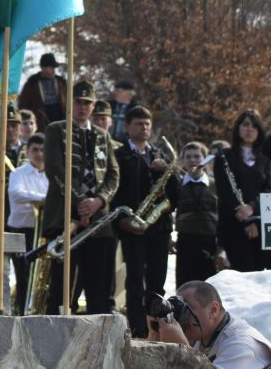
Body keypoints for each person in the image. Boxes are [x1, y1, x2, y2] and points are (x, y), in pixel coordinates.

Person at [41, 80, 120, 315]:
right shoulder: (56, 130)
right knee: (62, 289)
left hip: (99, 222)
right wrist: (81, 202)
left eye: (87, 103)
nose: (82, 107)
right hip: (64, 218)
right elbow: (55, 170)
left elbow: (113, 175)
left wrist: (99, 201)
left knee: (99, 288)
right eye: (78, 102)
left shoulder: (103, 136)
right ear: (70, 103)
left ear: (94, 105)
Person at [112, 105, 173, 338]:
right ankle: (138, 329)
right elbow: (114, 191)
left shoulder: (161, 155)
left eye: (147, 123)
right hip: (133, 227)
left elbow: (173, 194)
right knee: (135, 281)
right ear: (127, 126)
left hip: (159, 228)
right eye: (139, 123)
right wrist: (122, 221)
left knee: (158, 282)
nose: (144, 127)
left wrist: (167, 170)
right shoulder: (119, 156)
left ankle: (156, 327)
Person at [149, 280, 271, 368]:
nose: (181, 319)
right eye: (177, 311)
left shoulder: (241, 345)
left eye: (187, 310)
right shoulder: (201, 334)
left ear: (213, 310)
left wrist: (181, 349)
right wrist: (155, 336)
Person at [214, 110, 271, 272]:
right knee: (242, 275)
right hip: (234, 224)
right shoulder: (224, 157)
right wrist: (246, 220)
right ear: (238, 128)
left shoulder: (265, 160)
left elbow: (268, 191)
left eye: (254, 126)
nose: (249, 129)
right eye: (245, 124)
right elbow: (224, 191)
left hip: (261, 223)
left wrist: (252, 208)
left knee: (261, 275)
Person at [166, 142, 219, 286]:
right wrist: (170, 238)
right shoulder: (177, 185)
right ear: (183, 161)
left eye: (197, 156)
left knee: (209, 286)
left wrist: (222, 247)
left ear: (205, 159)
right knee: (185, 285)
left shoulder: (215, 185)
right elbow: (169, 212)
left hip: (209, 242)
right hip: (185, 241)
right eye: (188, 157)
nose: (192, 160)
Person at [8, 132, 47, 314]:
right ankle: (21, 312)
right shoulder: (18, 173)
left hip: (43, 233)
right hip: (21, 230)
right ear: (28, 151)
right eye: (35, 150)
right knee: (23, 275)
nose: (39, 154)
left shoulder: (52, 174)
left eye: (42, 150)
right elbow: (17, 193)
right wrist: (44, 199)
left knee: (40, 277)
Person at [17, 53, 67, 131]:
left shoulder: (61, 82)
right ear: (43, 68)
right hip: (40, 123)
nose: (53, 70)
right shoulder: (32, 83)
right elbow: (23, 105)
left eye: (54, 68)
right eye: (51, 67)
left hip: (60, 120)